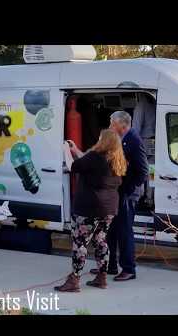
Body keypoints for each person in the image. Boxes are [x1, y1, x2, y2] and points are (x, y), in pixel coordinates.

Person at [54, 129, 127, 292]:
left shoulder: (95, 157)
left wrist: (66, 150)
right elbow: (86, 163)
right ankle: (102, 278)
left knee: (80, 243)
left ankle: (74, 280)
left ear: (104, 141)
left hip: (88, 208)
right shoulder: (117, 160)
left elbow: (73, 166)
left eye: (100, 138)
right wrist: (75, 150)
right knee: (101, 241)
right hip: (109, 209)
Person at [91, 110, 149, 281]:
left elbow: (143, 171)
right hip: (116, 192)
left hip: (127, 194)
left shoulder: (133, 140)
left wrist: (128, 189)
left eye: (112, 124)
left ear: (122, 125)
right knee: (111, 230)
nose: (110, 126)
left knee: (124, 231)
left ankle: (129, 269)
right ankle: (110, 265)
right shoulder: (118, 139)